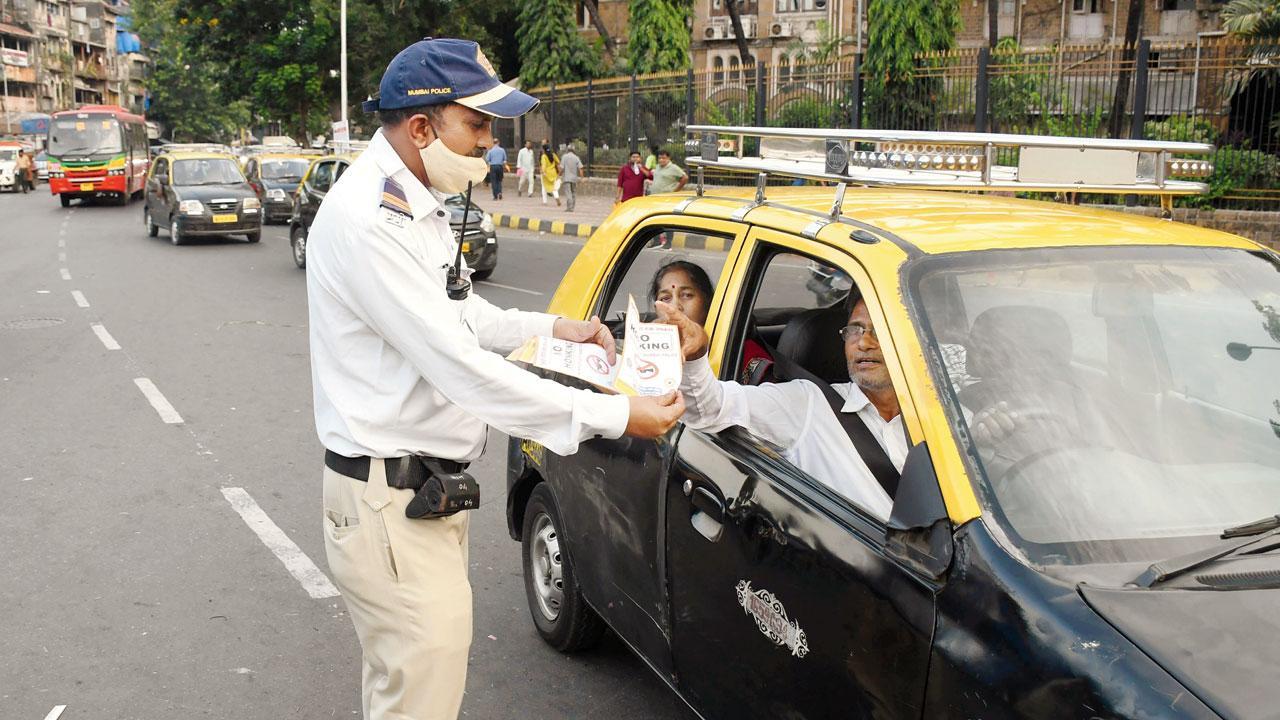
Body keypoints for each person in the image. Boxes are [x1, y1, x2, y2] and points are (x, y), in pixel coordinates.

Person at [308, 38, 685, 720]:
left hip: (414, 498)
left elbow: (458, 317)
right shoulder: (372, 219)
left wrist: (550, 330)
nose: (491, 143)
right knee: (419, 698)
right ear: (421, 127)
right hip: (388, 503)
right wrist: (616, 416)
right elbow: (463, 371)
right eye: (477, 126)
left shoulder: (410, 201)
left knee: (404, 690)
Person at [659, 292, 903, 519]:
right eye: (855, 330)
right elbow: (709, 408)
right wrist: (695, 355)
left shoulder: (939, 416)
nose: (864, 343)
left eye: (879, 330)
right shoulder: (809, 404)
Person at [560, 143, 582, 212]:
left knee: (568, 193)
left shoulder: (564, 157)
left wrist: (559, 174)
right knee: (573, 193)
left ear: (567, 150)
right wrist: (582, 178)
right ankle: (572, 207)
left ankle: (569, 207)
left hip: (566, 178)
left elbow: (562, 168)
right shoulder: (576, 157)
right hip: (574, 178)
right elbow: (581, 168)